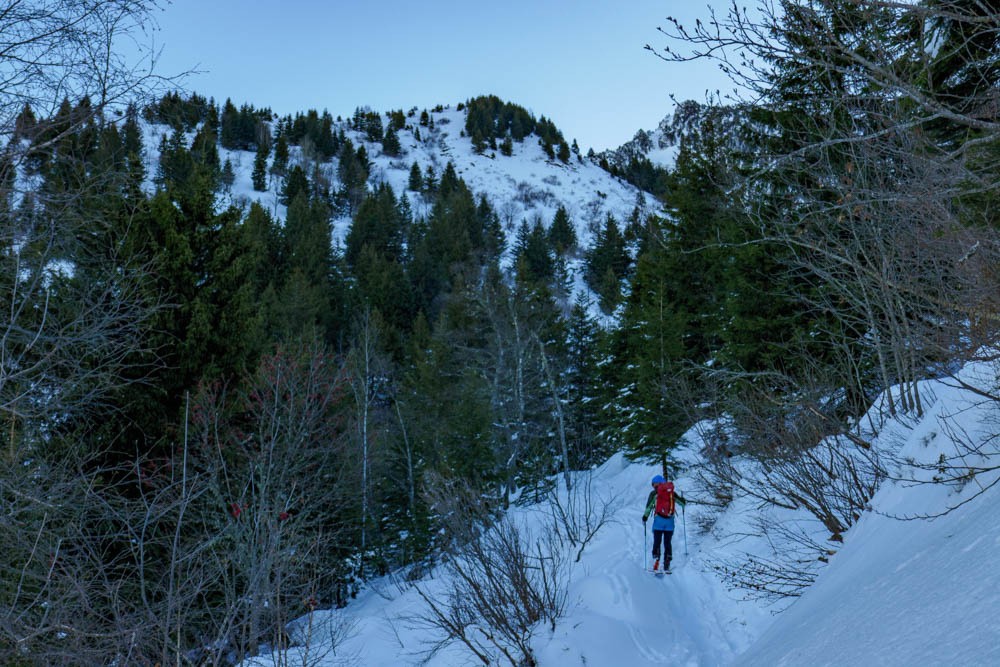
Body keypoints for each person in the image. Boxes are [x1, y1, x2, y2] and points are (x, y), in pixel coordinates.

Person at [642, 474, 686, 572]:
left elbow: (649, 507)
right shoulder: (671, 493)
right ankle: (667, 561)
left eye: (653, 484)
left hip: (658, 522)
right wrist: (683, 501)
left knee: (657, 541)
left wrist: (645, 517)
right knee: (667, 542)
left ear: (656, 483)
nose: (653, 486)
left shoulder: (654, 494)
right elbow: (682, 504)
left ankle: (656, 559)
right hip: (669, 522)